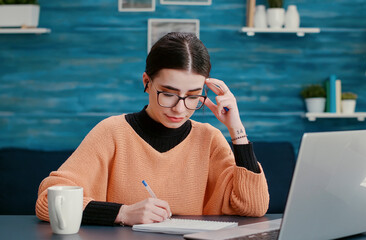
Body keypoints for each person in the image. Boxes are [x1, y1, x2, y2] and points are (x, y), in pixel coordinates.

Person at [35, 32, 269, 226]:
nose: (180, 109)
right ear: (146, 82)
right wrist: (122, 214)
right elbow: (49, 201)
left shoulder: (209, 139)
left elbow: (254, 207)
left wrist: (236, 129)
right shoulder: (111, 132)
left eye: (193, 96)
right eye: (168, 94)